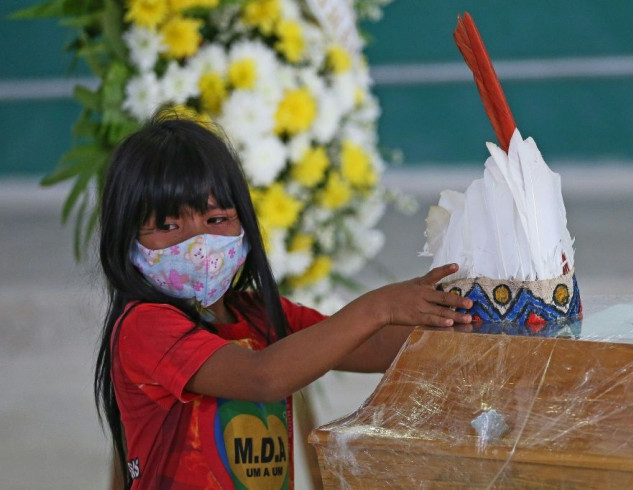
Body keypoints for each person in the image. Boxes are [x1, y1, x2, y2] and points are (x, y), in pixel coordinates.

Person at [94, 113, 473, 489]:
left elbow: (371, 345)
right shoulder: (144, 326)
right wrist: (380, 306)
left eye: (216, 219)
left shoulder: (259, 313)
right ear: (125, 237)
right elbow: (263, 377)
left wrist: (455, 318)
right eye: (168, 226)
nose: (198, 244)